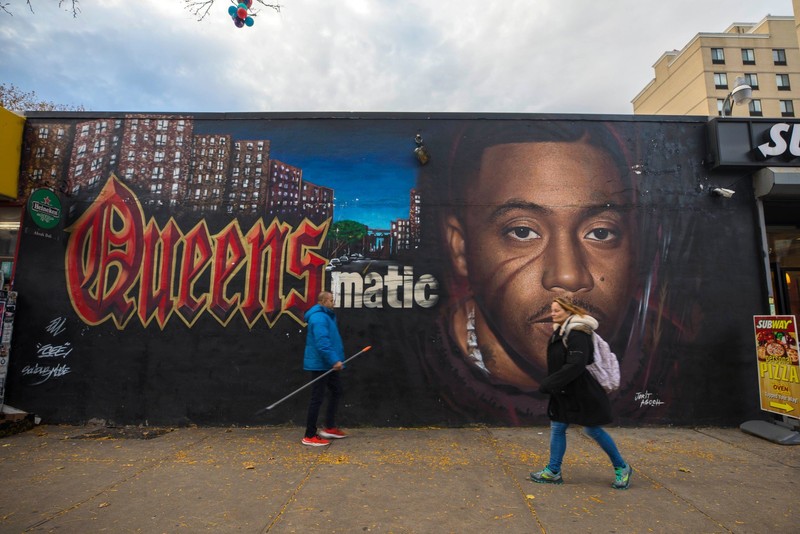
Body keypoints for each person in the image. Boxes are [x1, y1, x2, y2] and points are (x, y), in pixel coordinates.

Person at [423, 122, 649, 424]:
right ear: (461, 247)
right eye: (522, 231)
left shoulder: (670, 361)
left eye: (600, 233)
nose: (568, 276)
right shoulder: (410, 365)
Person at [530, 296, 632, 489]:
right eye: (552, 310)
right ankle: (553, 472)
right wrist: (555, 385)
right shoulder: (560, 332)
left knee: (592, 429)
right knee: (558, 428)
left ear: (569, 311)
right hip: (564, 392)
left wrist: (550, 383)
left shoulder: (578, 333)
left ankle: (622, 467)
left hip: (583, 392)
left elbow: (576, 365)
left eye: (557, 310)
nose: (553, 314)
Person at [301, 291, 347, 446]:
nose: (333, 303)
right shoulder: (319, 318)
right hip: (321, 364)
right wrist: (334, 360)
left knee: (337, 391)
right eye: (331, 300)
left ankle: (330, 427)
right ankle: (309, 435)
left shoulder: (326, 316)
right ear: (323, 301)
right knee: (317, 398)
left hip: (327, 363)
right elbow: (322, 343)